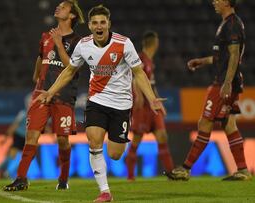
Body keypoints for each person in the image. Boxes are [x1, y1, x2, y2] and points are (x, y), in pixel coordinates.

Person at [36, 5, 165, 202]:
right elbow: (69, 71)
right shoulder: (84, 45)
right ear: (89, 26)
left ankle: (111, 164)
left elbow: (139, 73)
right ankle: (105, 191)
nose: (99, 26)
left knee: (114, 154)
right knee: (94, 141)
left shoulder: (124, 44)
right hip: (96, 100)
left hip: (121, 104)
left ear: (108, 24)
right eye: (95, 23)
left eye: (102, 22)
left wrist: (152, 98)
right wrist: (51, 91)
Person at [3, 0, 85, 191]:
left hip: (63, 96)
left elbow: (71, 68)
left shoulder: (78, 42)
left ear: (72, 15)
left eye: (63, 7)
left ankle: (63, 179)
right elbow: (41, 56)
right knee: (31, 137)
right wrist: (37, 75)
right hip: (41, 94)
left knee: (63, 140)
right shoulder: (46, 36)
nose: (58, 7)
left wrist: (59, 44)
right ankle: (21, 178)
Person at [168, 0, 251, 181]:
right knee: (228, 124)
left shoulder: (232, 24)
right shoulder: (227, 23)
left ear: (228, 2)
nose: (214, 2)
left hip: (223, 82)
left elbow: (235, 55)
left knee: (205, 122)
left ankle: (185, 168)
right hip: (228, 80)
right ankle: (243, 170)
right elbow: (223, 56)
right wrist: (202, 61)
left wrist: (227, 82)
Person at [125, 31, 174, 181]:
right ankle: (131, 176)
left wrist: (158, 102)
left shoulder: (150, 62)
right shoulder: (140, 58)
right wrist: (138, 95)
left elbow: (151, 84)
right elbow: (134, 78)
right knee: (137, 138)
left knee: (162, 136)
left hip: (152, 104)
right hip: (142, 106)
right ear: (155, 43)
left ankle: (171, 173)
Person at [0, 95, 30, 179]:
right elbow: (15, 124)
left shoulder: (31, 113)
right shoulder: (23, 113)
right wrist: (6, 137)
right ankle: (4, 171)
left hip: (27, 137)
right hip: (19, 136)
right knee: (16, 155)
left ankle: (1, 170)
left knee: (27, 156)